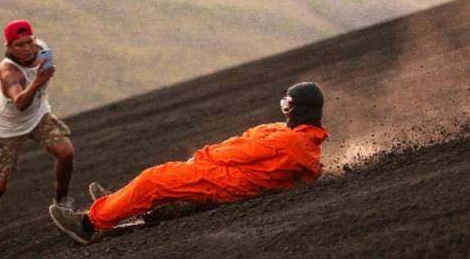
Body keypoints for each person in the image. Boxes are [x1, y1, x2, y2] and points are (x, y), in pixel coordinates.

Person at [50, 82, 328, 245]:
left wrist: (200, 158)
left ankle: (87, 224)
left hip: (229, 182)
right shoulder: (296, 137)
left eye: (287, 104)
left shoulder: (292, 142)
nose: (284, 109)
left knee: (154, 180)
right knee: (166, 179)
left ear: (297, 108)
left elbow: (239, 151)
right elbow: (247, 145)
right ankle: (117, 203)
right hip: (231, 176)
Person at [0, 19, 75, 250]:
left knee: (66, 152)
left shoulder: (42, 49)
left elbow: (44, 71)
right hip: (7, 128)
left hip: (38, 117)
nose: (27, 48)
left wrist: (42, 79)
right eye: (20, 45)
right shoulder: (9, 71)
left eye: (29, 42)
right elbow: (20, 103)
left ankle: (61, 200)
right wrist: (37, 81)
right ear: (9, 46)